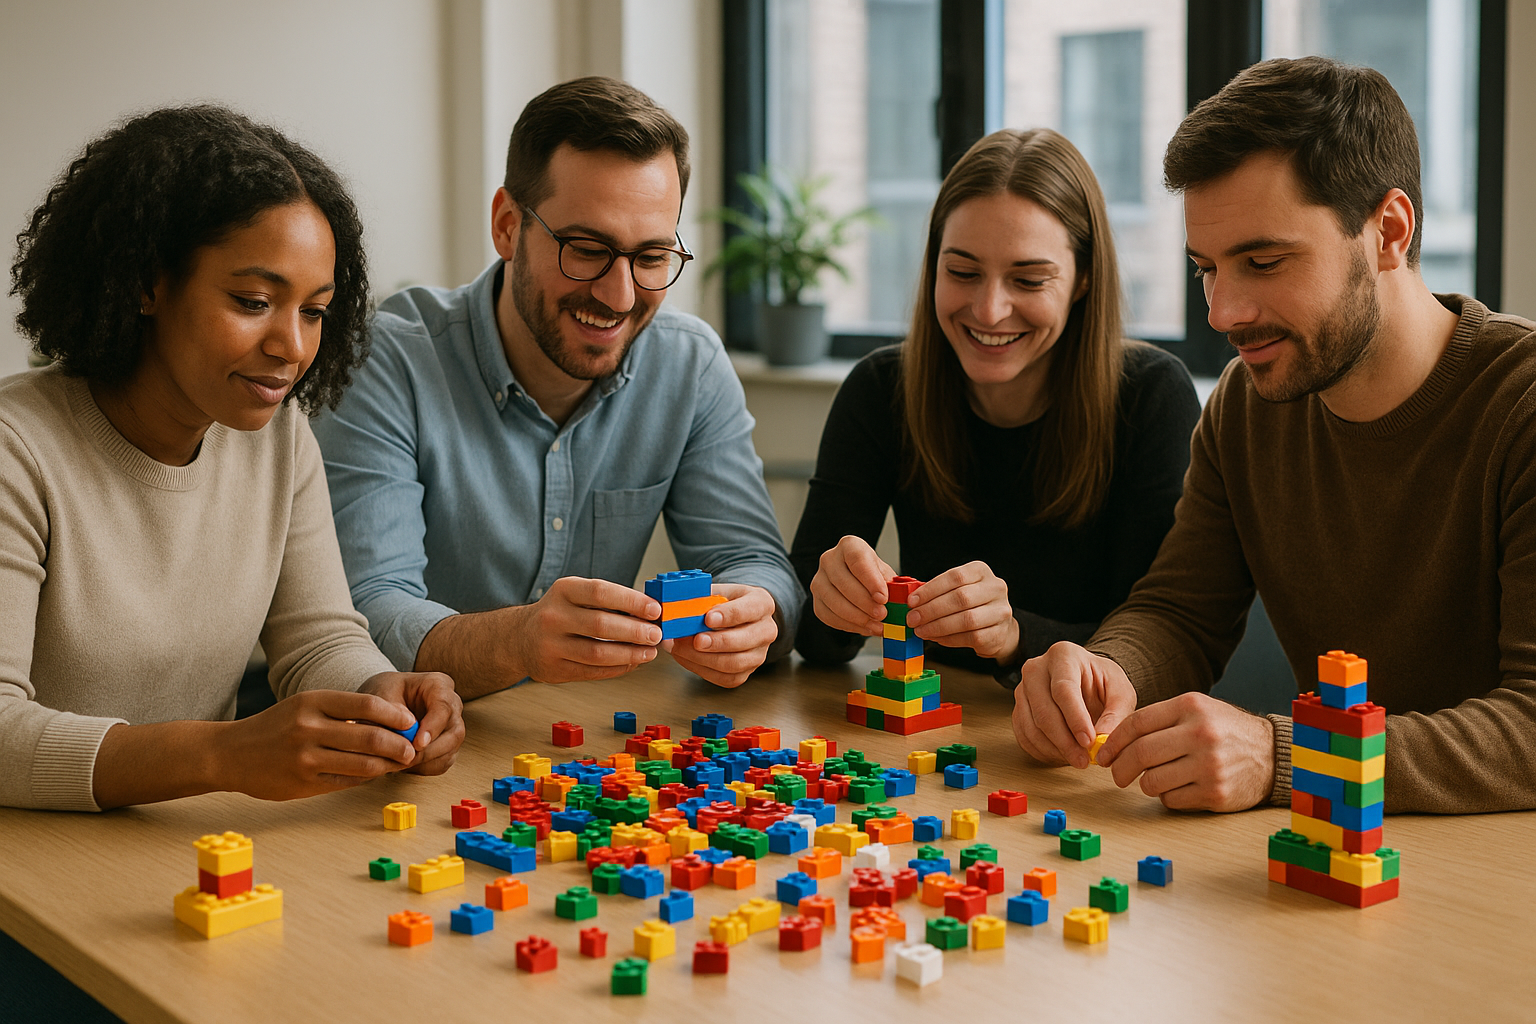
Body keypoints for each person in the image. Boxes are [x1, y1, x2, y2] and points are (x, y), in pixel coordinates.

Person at [1013, 56, 1536, 815]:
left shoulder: (1520, 406)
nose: (1223, 313)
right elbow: (1182, 613)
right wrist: (1104, 672)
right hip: (1331, 863)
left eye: (1263, 261)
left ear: (1388, 231)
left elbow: (1531, 722)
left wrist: (1283, 755)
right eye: (1207, 270)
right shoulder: (1249, 404)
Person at [0, 106, 464, 812]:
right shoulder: (17, 449)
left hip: (190, 846)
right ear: (145, 284)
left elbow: (317, 640)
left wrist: (378, 693)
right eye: (253, 301)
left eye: (314, 310)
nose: (292, 347)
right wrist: (221, 753)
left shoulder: (278, 438)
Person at [311, 77, 800, 698]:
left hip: (567, 751)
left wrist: (755, 614)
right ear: (508, 226)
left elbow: (756, 562)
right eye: (587, 249)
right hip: (411, 746)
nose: (619, 295)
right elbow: (365, 615)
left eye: (651, 258)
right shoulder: (386, 358)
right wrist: (517, 641)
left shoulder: (690, 365)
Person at [791, 128, 1199, 686]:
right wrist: (832, 603)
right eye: (962, 272)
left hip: (1081, 748)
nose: (989, 309)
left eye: (1028, 279)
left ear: (1082, 279)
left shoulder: (1151, 396)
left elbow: (1157, 647)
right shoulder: (880, 387)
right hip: (932, 724)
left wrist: (1013, 638)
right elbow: (815, 641)